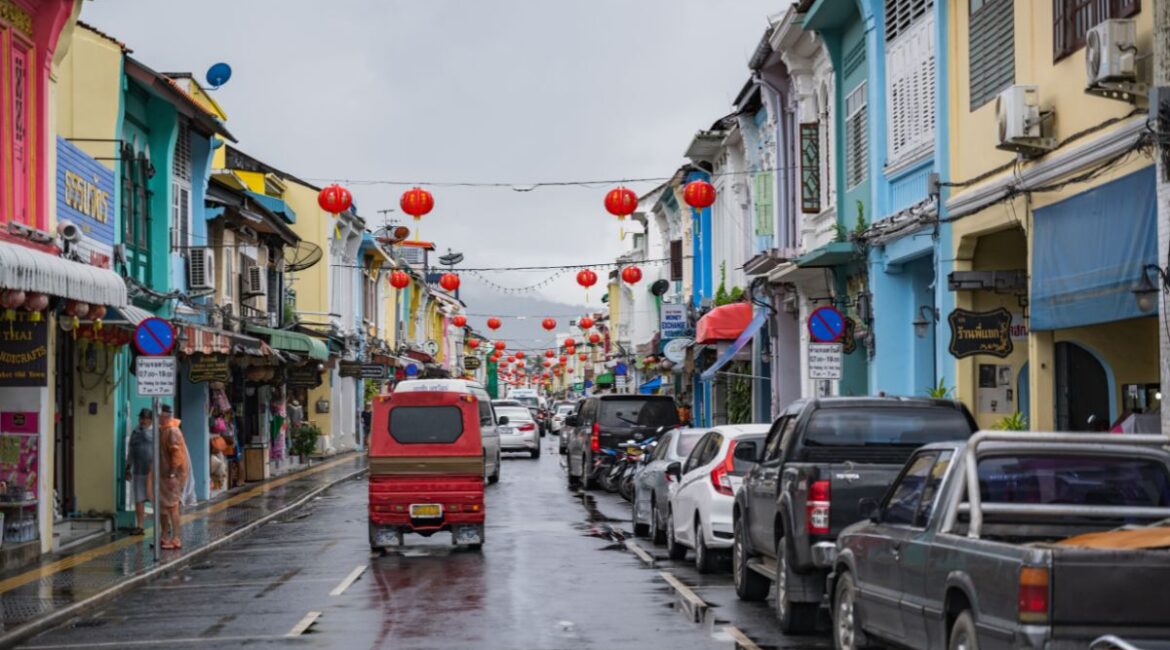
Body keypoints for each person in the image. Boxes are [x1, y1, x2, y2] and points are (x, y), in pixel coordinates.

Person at [157, 405, 191, 550]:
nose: (157, 418)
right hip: (165, 475)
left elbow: (176, 456)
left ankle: (176, 538)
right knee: (163, 505)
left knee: (172, 506)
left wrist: (172, 474)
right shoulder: (164, 430)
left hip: (173, 475)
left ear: (165, 416)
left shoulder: (172, 431)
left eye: (159, 415)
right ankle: (164, 536)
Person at [125, 408, 154, 536]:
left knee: (156, 499)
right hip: (138, 470)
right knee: (139, 499)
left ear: (151, 420)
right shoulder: (135, 432)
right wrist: (127, 468)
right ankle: (140, 526)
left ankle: (164, 524)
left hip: (153, 472)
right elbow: (131, 452)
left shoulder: (156, 431)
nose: (142, 420)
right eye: (141, 418)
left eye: (145, 418)